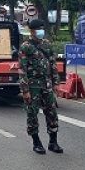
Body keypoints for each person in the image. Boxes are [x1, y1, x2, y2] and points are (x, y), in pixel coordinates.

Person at [19, 19, 63, 155]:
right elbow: (22, 70)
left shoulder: (47, 44)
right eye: (39, 29)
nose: (41, 32)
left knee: (52, 112)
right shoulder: (26, 46)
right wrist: (25, 90)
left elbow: (53, 64)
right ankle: (36, 142)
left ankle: (53, 142)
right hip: (33, 85)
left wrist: (56, 83)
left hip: (47, 83)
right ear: (32, 31)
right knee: (32, 113)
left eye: (42, 29)